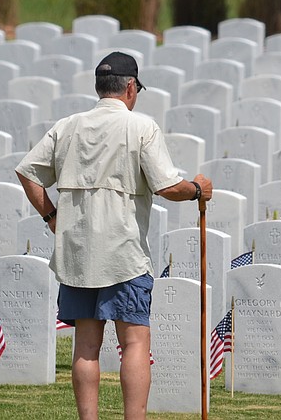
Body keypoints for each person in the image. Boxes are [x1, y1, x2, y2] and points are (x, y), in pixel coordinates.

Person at [15, 51, 213, 420]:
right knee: (134, 342)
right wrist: (198, 189)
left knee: (86, 346)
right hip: (124, 253)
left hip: (77, 253)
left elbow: (27, 172)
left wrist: (51, 216)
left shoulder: (67, 125)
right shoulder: (140, 127)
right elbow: (168, 187)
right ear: (130, 87)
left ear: (97, 87)